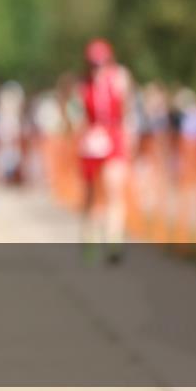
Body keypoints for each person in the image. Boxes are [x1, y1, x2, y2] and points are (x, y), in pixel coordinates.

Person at [76, 38, 134, 264]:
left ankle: (114, 239)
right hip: (91, 141)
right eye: (93, 64)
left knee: (114, 190)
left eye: (101, 63)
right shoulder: (84, 85)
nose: (97, 69)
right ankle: (89, 240)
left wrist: (128, 139)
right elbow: (79, 117)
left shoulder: (120, 79)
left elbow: (127, 112)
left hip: (114, 138)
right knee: (91, 195)